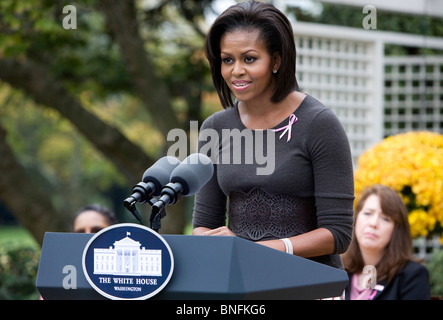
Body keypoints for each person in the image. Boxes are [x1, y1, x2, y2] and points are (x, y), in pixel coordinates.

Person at [192, 0, 354, 269]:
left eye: (250, 58)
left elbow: (338, 234)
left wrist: (260, 250)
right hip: (241, 281)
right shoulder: (215, 129)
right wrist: (222, 245)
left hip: (308, 282)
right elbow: (203, 226)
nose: (236, 71)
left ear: (276, 60)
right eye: (227, 60)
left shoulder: (319, 124)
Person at [342, 184, 431, 300]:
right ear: (355, 218)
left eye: (385, 218)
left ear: (397, 230)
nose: (373, 223)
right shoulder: (339, 271)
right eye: (368, 213)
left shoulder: (412, 276)